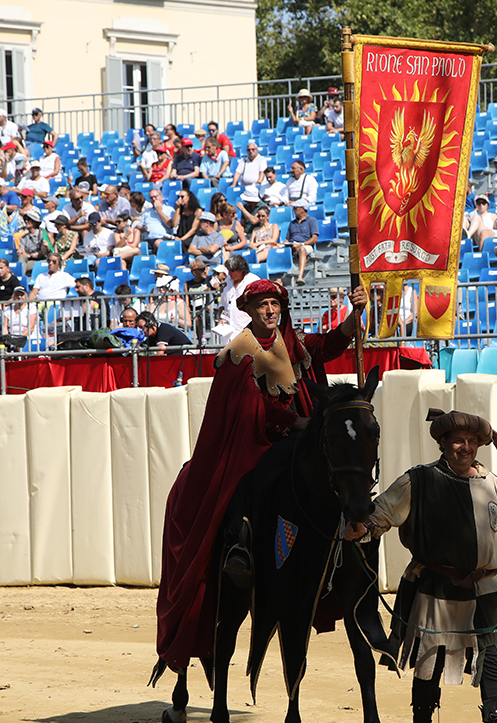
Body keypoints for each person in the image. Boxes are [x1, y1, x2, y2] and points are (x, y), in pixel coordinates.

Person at [154, 279, 368, 676]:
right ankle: (239, 548)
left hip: (301, 440)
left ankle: (345, 551)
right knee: (249, 488)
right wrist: (300, 421)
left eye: (274, 303)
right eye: (262, 305)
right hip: (257, 445)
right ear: (249, 311)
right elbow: (254, 412)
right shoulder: (239, 353)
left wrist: (356, 313)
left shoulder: (293, 341)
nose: (270, 310)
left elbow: (331, 346)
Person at [345, 409, 497, 723]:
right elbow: (382, 512)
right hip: (435, 585)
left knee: (492, 662)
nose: (466, 447)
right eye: (458, 441)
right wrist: (363, 528)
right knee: (431, 662)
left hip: (487, 588)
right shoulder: (419, 481)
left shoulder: (495, 485)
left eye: (472, 441)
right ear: (443, 443)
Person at [284, 199, 318, 285]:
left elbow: (314, 238)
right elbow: (288, 239)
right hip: (293, 245)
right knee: (276, 250)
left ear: (302, 209)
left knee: (302, 249)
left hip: (306, 245)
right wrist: (280, 245)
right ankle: (279, 279)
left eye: (295, 208)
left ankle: (300, 277)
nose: (293, 210)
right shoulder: (292, 223)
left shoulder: (312, 220)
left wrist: (301, 244)